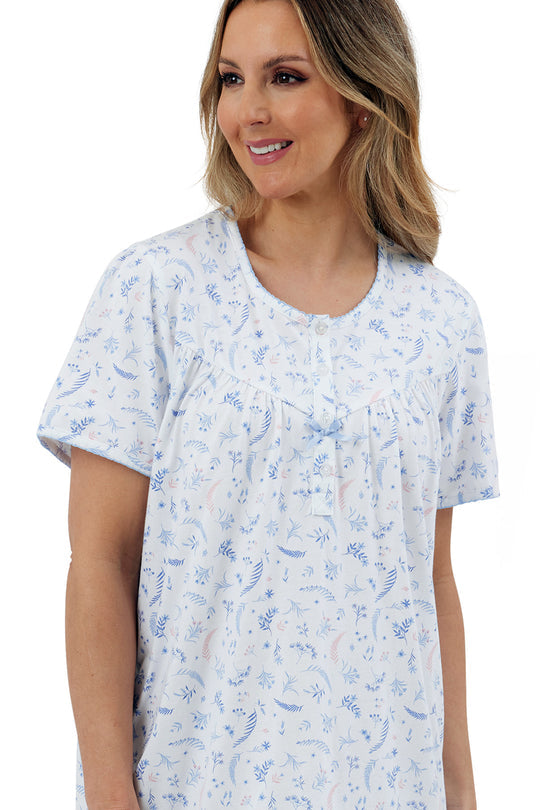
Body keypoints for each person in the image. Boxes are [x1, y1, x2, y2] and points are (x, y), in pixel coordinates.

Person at [37, 0, 499, 808]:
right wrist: (109, 796)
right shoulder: (157, 290)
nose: (248, 111)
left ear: (363, 97)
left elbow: (429, 583)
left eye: (284, 78)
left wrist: (461, 794)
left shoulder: (441, 321)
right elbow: (100, 563)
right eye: (230, 80)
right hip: (197, 783)